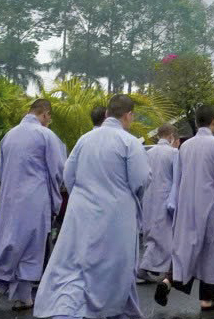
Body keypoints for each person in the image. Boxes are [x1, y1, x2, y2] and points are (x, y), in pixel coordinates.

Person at [33, 94, 150, 319]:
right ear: (129, 116)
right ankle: (109, 307)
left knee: (79, 262)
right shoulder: (130, 142)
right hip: (116, 215)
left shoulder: (84, 139)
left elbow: (68, 174)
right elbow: (141, 180)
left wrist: (83, 194)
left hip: (82, 212)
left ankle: (71, 306)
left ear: (107, 114)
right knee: (114, 265)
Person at [0, 99, 66, 310]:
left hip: (9, 198)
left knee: (6, 240)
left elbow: (0, 168)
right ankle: (21, 296)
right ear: (45, 115)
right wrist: (56, 199)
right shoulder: (46, 135)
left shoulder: (10, 135)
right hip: (34, 199)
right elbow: (57, 170)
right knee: (29, 247)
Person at [155, 105, 214, 312]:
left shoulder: (185, 146)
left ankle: (169, 281)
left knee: (187, 250)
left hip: (188, 206)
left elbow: (178, 179)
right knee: (211, 253)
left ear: (196, 122)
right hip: (211, 207)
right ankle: (207, 299)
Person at [137, 123, 180, 282]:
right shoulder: (174, 152)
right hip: (166, 198)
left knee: (152, 234)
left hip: (149, 197)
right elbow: (177, 179)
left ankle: (154, 268)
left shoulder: (148, 152)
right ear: (171, 137)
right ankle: (147, 268)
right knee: (164, 236)